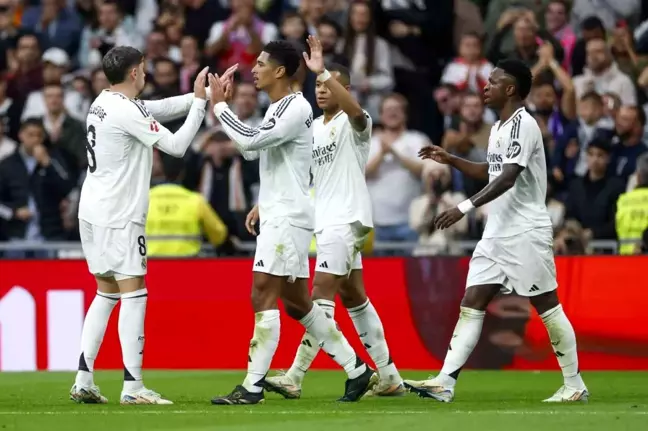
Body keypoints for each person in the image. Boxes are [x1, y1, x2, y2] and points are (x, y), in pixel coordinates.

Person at [405, 59, 588, 403]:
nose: (485, 86)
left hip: (525, 230)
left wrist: (463, 207)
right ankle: (445, 381)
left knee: (547, 305)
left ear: (511, 89)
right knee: (472, 302)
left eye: (493, 81)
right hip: (496, 232)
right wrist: (452, 160)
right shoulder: (498, 128)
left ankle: (574, 384)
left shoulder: (524, 125)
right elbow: (491, 172)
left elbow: (509, 177)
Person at [207, 40, 377, 405]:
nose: (254, 70)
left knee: (261, 293)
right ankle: (357, 369)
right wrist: (261, 202)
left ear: (280, 71)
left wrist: (220, 107)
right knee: (298, 304)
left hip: (288, 217)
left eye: (261, 64)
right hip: (281, 211)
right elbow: (255, 148)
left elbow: (251, 143)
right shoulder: (279, 108)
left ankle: (252, 386)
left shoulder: (297, 107)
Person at [70, 46, 235, 405]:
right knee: (134, 293)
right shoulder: (126, 111)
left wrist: (200, 94)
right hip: (119, 214)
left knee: (106, 292)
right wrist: (201, 106)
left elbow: (156, 108)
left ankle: (84, 378)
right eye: (143, 69)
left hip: (92, 211)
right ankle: (133, 386)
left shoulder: (102, 102)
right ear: (134, 73)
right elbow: (175, 146)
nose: (145, 75)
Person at [262, 37, 404, 399]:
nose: (322, 90)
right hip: (325, 219)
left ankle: (294, 376)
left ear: (345, 89)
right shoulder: (314, 129)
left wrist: (323, 69)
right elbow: (300, 175)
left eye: (329, 85)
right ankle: (389, 377)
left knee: (318, 295)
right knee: (356, 299)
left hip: (347, 218)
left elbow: (356, 113)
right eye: (318, 86)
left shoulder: (357, 124)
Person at [146, 156, 229, 256]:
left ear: (161, 170)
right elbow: (219, 235)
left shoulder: (144, 200)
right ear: (182, 173)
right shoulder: (196, 201)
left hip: (150, 266)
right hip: (187, 267)